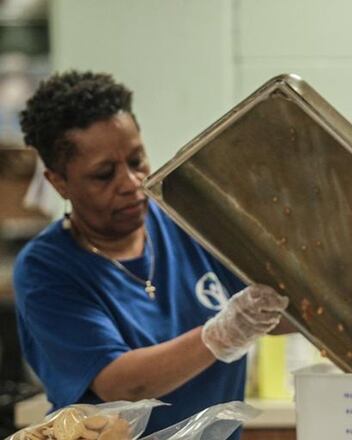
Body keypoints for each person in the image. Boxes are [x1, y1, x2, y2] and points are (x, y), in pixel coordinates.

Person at [13, 71, 290, 435]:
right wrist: (221, 334)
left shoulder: (186, 222)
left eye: (136, 160)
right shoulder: (46, 270)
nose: (131, 183)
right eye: (104, 174)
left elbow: (279, 309)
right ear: (59, 182)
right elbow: (121, 385)